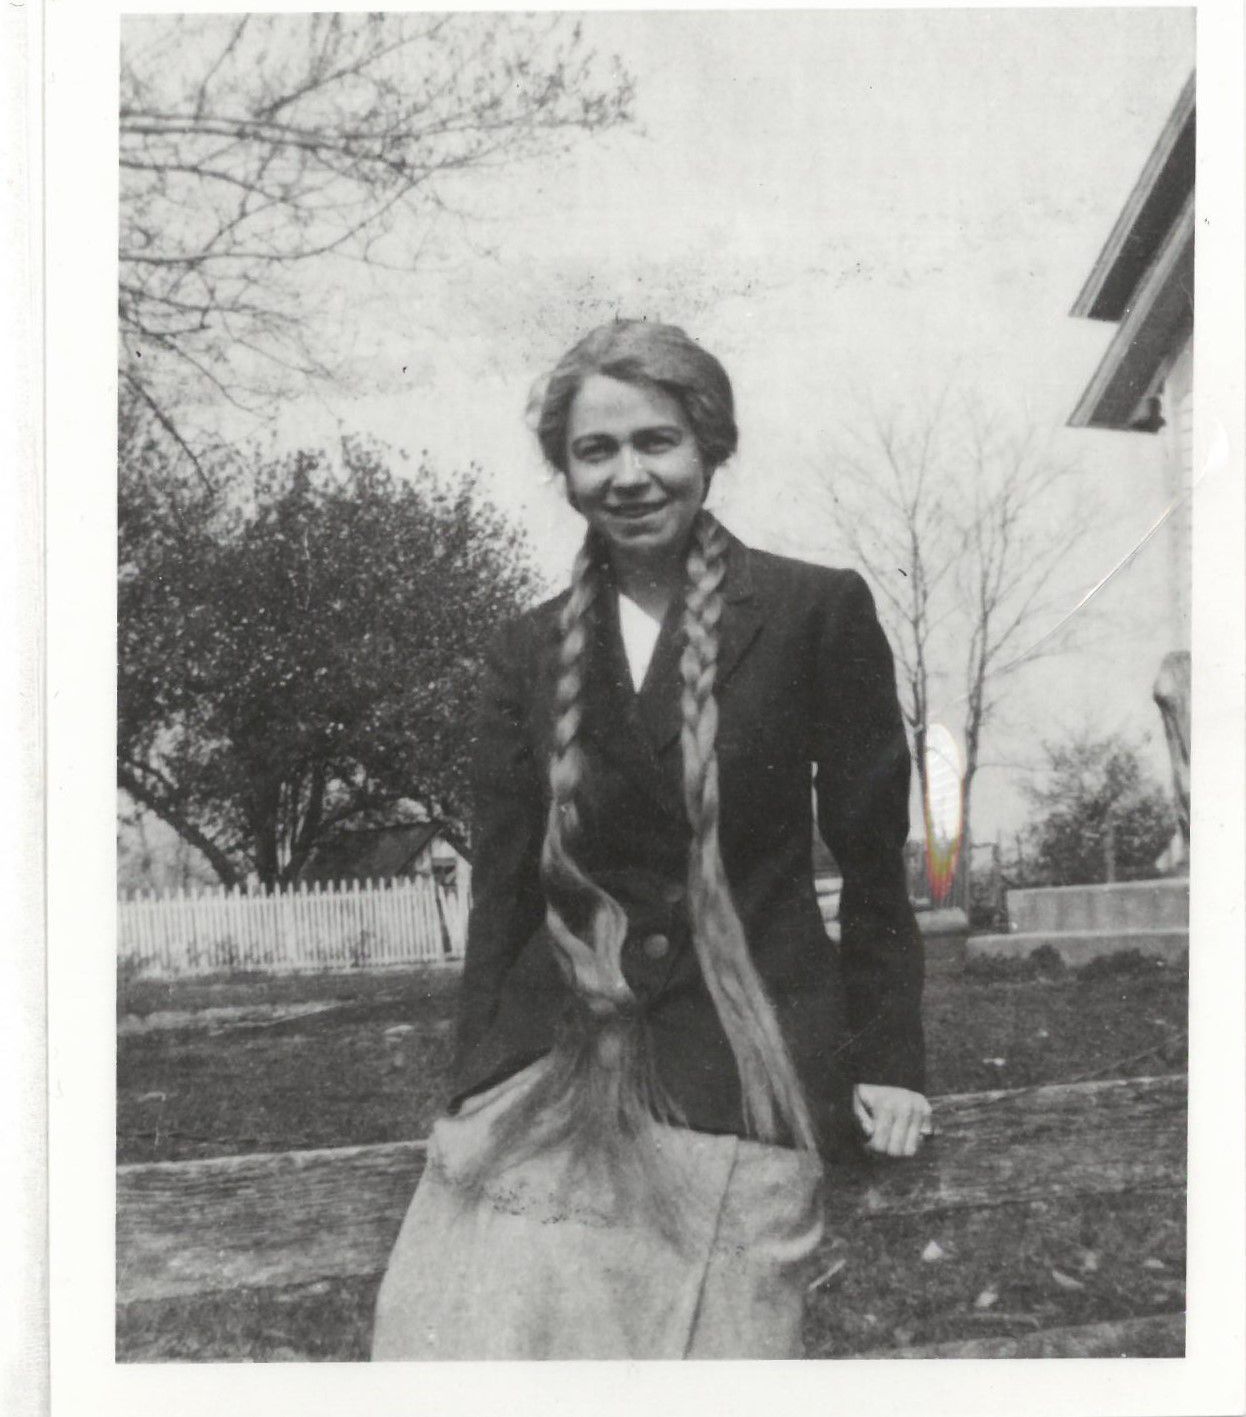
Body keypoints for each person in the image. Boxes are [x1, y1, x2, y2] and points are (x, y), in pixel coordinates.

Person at [372, 319, 930, 1361]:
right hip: (560, 1063)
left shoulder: (814, 610)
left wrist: (892, 1058)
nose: (629, 475)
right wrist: (474, 1079)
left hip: (743, 1058)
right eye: (596, 450)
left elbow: (872, 862)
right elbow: (503, 892)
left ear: (709, 447)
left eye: (656, 441)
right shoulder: (526, 649)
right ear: (567, 471)